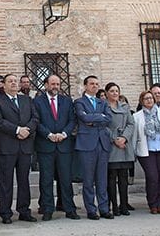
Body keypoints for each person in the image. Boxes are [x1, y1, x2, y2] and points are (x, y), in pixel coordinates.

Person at [0, 74, 38, 224]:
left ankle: (24, 210)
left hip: (25, 147)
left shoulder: (27, 100)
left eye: (15, 81)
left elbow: (35, 118)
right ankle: (5, 212)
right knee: (6, 181)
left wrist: (27, 130)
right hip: (7, 147)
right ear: (3, 85)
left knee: (24, 180)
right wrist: (18, 130)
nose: (13, 83)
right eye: (9, 81)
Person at [33, 74, 79, 221]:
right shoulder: (38, 101)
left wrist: (64, 134)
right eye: (52, 84)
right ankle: (47, 209)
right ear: (46, 85)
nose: (55, 87)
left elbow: (72, 120)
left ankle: (69, 209)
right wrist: (49, 134)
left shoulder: (67, 101)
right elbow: (36, 121)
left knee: (66, 179)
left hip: (64, 145)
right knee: (46, 179)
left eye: (58, 84)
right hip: (46, 145)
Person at [74, 76, 113, 220]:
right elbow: (83, 118)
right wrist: (99, 117)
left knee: (102, 179)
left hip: (102, 144)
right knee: (88, 179)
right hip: (86, 144)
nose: (95, 86)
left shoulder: (102, 102)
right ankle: (91, 209)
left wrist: (93, 118)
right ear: (85, 86)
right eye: (92, 84)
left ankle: (104, 208)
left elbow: (108, 119)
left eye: (97, 84)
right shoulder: (79, 102)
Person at [133, 91, 160, 214]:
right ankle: (152, 203)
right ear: (141, 101)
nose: (149, 100)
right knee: (152, 177)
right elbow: (135, 135)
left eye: (151, 98)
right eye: (146, 99)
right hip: (146, 150)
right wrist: (133, 151)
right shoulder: (137, 116)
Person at [105, 83, 135, 216]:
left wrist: (124, 137)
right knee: (111, 177)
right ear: (106, 93)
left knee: (124, 177)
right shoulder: (103, 107)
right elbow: (103, 125)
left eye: (117, 91)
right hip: (111, 146)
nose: (115, 93)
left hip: (124, 145)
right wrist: (114, 139)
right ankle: (114, 206)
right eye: (112, 91)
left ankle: (124, 205)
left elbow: (131, 123)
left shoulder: (124, 106)